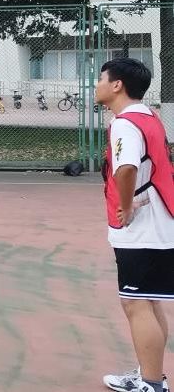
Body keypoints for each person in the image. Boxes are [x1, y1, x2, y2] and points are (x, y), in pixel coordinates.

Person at [96, 59, 174, 392]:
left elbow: (126, 168)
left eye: (101, 78)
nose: (97, 84)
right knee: (149, 301)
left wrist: (126, 206)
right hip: (160, 222)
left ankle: (152, 385)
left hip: (143, 227)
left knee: (136, 303)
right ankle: (150, 375)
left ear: (117, 85)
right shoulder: (149, 116)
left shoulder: (125, 123)